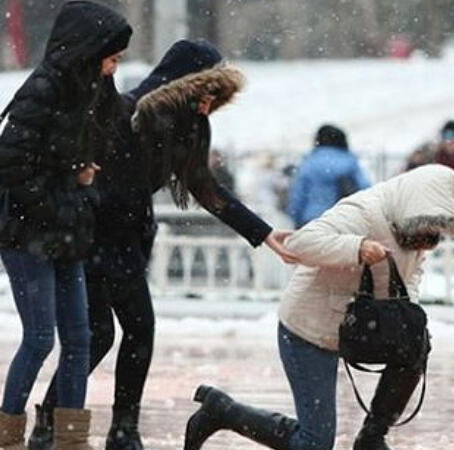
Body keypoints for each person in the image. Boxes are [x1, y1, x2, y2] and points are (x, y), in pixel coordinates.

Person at [27, 40, 297, 450]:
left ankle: (66, 422)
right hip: (93, 235)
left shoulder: (192, 126)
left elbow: (207, 190)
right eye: (207, 93)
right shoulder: (129, 110)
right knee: (127, 331)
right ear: (185, 85)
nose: (210, 104)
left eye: (217, 98)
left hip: (124, 239)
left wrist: (262, 233)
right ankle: (112, 428)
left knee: (102, 334)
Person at [184, 164, 454, 450]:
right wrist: (356, 248)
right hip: (308, 328)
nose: (431, 235)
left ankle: (372, 437)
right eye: (429, 224)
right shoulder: (363, 211)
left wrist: (407, 319)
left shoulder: (417, 231)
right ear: (414, 204)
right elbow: (301, 243)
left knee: (415, 345)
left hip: (356, 325)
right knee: (315, 444)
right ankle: (221, 410)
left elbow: (411, 275)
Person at [0, 2, 131, 449]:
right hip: (27, 233)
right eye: (111, 55)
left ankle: (71, 440)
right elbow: (12, 165)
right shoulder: (45, 88)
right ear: (89, 50)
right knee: (39, 338)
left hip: (67, 230)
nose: (114, 66)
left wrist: (80, 181)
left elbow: (100, 147)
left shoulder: (89, 91)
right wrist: (67, 187)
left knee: (80, 338)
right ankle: (7, 436)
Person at [289, 124, 370, 228]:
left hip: (311, 220)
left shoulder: (309, 163)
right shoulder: (350, 162)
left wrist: (296, 219)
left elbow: (298, 195)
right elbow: (365, 190)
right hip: (341, 220)